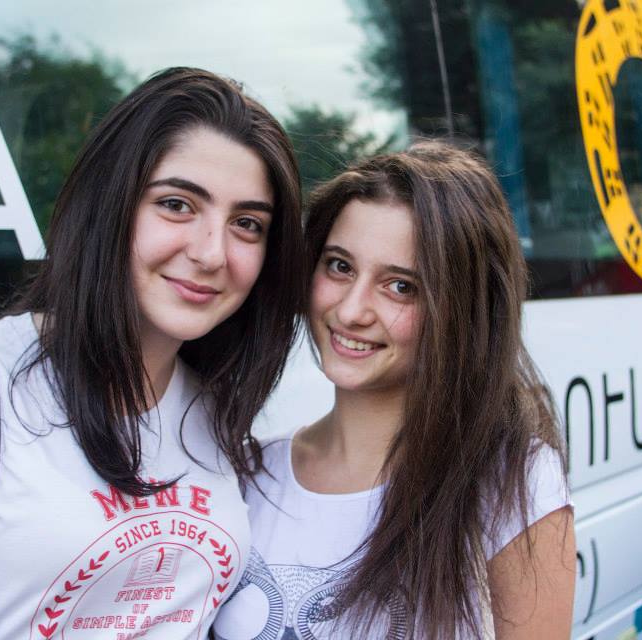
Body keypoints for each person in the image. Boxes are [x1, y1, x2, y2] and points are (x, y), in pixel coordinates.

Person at [0, 67, 304, 640]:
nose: (213, 253)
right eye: (177, 205)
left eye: (247, 224)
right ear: (108, 205)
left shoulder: (213, 406)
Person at [212, 141, 576, 639]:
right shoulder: (248, 474)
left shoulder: (511, 479)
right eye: (339, 266)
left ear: (461, 310)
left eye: (401, 286)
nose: (351, 310)